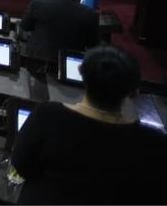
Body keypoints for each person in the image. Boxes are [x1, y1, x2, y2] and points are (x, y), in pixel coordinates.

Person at [10, 46, 166, 204]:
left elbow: (21, 166)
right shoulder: (155, 142)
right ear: (134, 91)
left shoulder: (48, 115)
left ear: (81, 75)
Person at [20, 0, 98, 63]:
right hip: (69, 64)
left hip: (36, 60)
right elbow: (92, 44)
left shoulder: (37, 4)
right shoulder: (90, 14)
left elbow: (25, 26)